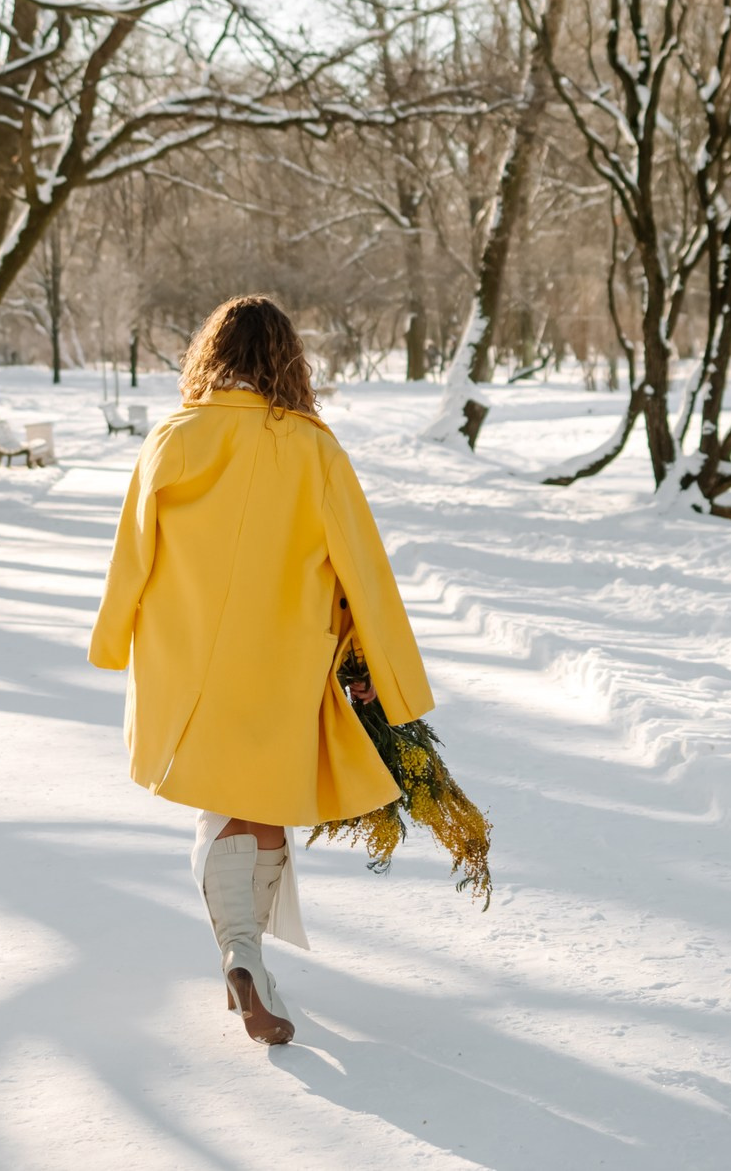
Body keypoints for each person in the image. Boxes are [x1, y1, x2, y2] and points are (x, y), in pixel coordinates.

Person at [88, 294, 434, 1045]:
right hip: (283, 660)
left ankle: (243, 958)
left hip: (186, 660)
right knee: (263, 804)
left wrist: (113, 641)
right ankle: (247, 960)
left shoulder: (173, 436)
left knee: (221, 803)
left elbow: (131, 554)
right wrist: (383, 667)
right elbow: (363, 571)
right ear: (287, 361)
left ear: (210, 356)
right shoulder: (315, 450)